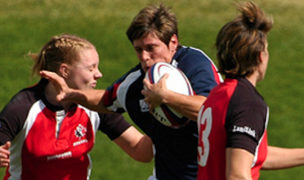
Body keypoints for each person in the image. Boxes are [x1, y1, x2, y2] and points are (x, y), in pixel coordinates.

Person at [40, 3, 222, 180]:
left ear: (172, 42)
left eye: (151, 48)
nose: (144, 57)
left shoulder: (194, 64)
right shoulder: (136, 82)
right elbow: (105, 100)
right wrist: (71, 94)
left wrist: (165, 97)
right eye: (138, 50)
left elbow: (212, 110)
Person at [0, 34, 153, 180]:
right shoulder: (23, 108)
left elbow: (140, 151)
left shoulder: (94, 106)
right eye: (91, 68)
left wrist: (163, 121)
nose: (99, 74)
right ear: (65, 71)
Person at [197, 2, 304, 180]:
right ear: (260, 56)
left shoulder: (218, 95)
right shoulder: (247, 103)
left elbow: (251, 154)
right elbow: (237, 175)